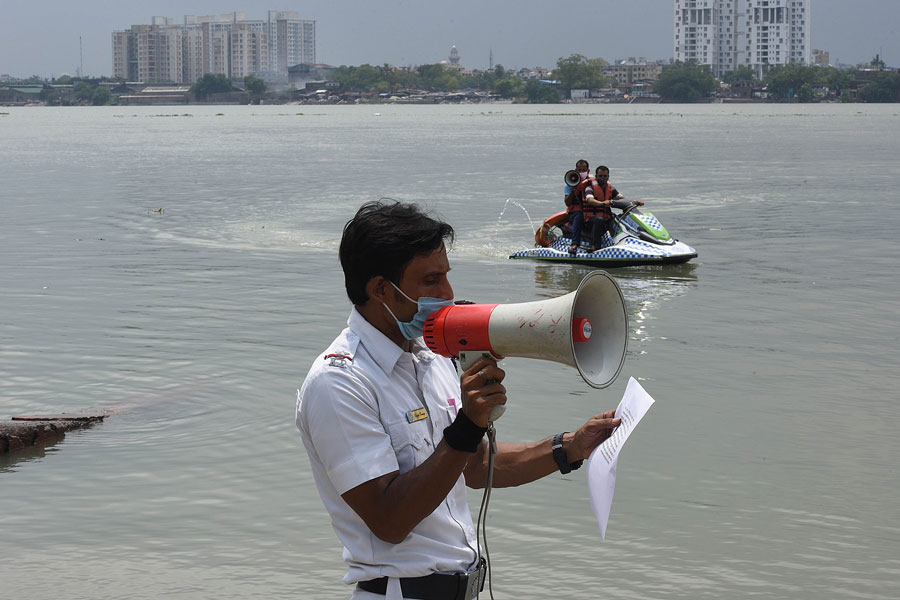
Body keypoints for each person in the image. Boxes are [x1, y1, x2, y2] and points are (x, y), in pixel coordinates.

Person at [296, 200, 622, 600]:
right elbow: (389, 521)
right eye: (431, 280)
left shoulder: (431, 357)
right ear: (381, 289)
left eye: (446, 276)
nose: (447, 294)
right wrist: (467, 425)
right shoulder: (340, 381)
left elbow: (476, 465)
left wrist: (570, 447)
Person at [565, 165, 644, 254]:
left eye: (605, 176)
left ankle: (629, 241)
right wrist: (602, 203)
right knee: (598, 220)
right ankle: (595, 247)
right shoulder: (589, 188)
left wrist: (635, 202)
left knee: (619, 219)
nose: (602, 178)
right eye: (600, 176)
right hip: (590, 220)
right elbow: (590, 199)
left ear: (608, 176)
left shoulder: (610, 189)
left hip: (605, 218)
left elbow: (621, 198)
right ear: (596, 176)